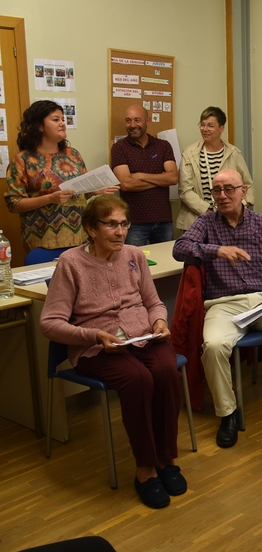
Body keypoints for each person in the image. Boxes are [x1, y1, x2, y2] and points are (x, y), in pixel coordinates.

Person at [40, 195, 185, 509]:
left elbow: (153, 302)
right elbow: (50, 323)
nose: (120, 232)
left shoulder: (134, 254)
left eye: (123, 224)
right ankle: (145, 469)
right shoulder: (71, 263)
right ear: (92, 229)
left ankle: (166, 459)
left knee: (165, 371)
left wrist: (160, 320)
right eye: (111, 225)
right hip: (97, 346)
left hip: (142, 335)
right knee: (138, 380)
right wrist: (93, 334)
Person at [173, 169, 262, 449]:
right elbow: (180, 248)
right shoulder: (207, 223)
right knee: (213, 346)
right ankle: (228, 413)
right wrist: (216, 250)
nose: (222, 195)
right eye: (216, 190)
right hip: (223, 304)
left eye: (229, 189)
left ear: (244, 191)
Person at [5, 100, 117, 253]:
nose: (62, 124)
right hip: (44, 241)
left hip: (80, 237)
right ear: (39, 125)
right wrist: (50, 198)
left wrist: (94, 190)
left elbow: (78, 192)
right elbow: (14, 203)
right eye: (56, 120)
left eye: (63, 119)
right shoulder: (23, 159)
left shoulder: (73, 154)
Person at [176, 107, 254, 232]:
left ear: (221, 129)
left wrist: (239, 207)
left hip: (230, 219)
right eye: (202, 125)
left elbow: (247, 185)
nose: (205, 129)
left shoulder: (233, 153)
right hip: (198, 219)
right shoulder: (189, 153)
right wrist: (209, 211)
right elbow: (185, 190)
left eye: (210, 126)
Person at [110, 104, 178, 245]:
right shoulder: (119, 148)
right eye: (128, 121)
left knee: (166, 264)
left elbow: (173, 178)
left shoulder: (163, 146)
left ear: (147, 121)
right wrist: (160, 178)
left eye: (137, 120)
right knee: (132, 265)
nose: (133, 125)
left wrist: (140, 175)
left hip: (163, 220)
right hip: (134, 222)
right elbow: (126, 184)